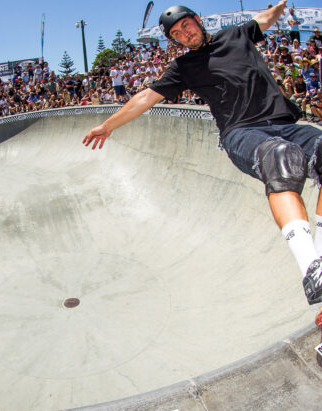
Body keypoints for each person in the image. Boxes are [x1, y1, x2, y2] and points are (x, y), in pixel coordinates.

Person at [83, 1, 322, 306]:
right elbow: (144, 97)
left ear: (197, 20)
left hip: (284, 122)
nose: (185, 34)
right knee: (280, 158)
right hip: (241, 133)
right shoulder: (183, 68)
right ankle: (311, 268)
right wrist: (108, 125)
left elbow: (264, 19)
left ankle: (319, 253)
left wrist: (280, 5)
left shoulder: (235, 35)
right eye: (177, 34)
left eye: (186, 25)